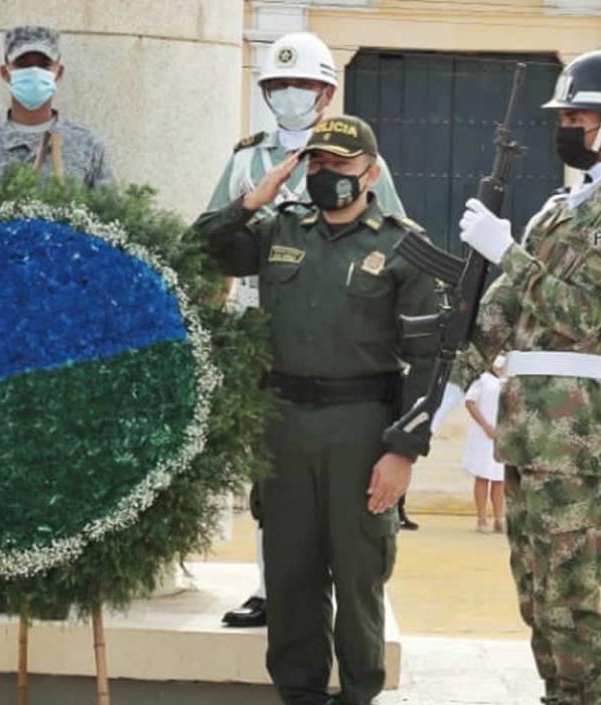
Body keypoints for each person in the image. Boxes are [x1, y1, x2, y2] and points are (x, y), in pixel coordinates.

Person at [193, 115, 439, 705]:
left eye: (342, 165)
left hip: (361, 426)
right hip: (283, 426)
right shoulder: (281, 228)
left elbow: (431, 362)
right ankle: (299, 694)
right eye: (318, 163)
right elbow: (198, 247)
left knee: (358, 575)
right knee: (290, 572)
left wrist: (403, 450)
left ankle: (359, 693)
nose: (329, 175)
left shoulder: (405, 245)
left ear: (371, 172)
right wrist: (254, 197)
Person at [210, 31, 411, 630]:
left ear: (326, 91)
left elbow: (391, 234)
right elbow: (215, 241)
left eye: (301, 85)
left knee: (335, 486)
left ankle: (335, 599)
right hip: (260, 323)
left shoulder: (362, 155)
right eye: (277, 85)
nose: (289, 95)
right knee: (270, 471)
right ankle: (273, 587)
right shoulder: (247, 158)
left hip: (338, 328)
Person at [456, 49, 601, 705]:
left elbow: (589, 316)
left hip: (577, 437)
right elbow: (502, 313)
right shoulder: (559, 206)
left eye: (578, 113)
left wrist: (509, 254)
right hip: (525, 432)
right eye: (565, 113)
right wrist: (444, 378)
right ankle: (556, 694)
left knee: (571, 595)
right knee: (535, 590)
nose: (567, 125)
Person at [0, 25, 114, 192]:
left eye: (44, 65)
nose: (34, 72)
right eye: (23, 64)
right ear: (5, 73)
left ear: (58, 73)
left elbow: (111, 212)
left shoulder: (87, 146)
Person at [463, 357, 506, 534]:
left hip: (502, 435)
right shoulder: (483, 380)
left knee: (499, 479)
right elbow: (470, 402)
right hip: (483, 435)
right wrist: (485, 425)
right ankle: (481, 519)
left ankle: (499, 519)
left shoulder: (510, 381)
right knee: (482, 477)